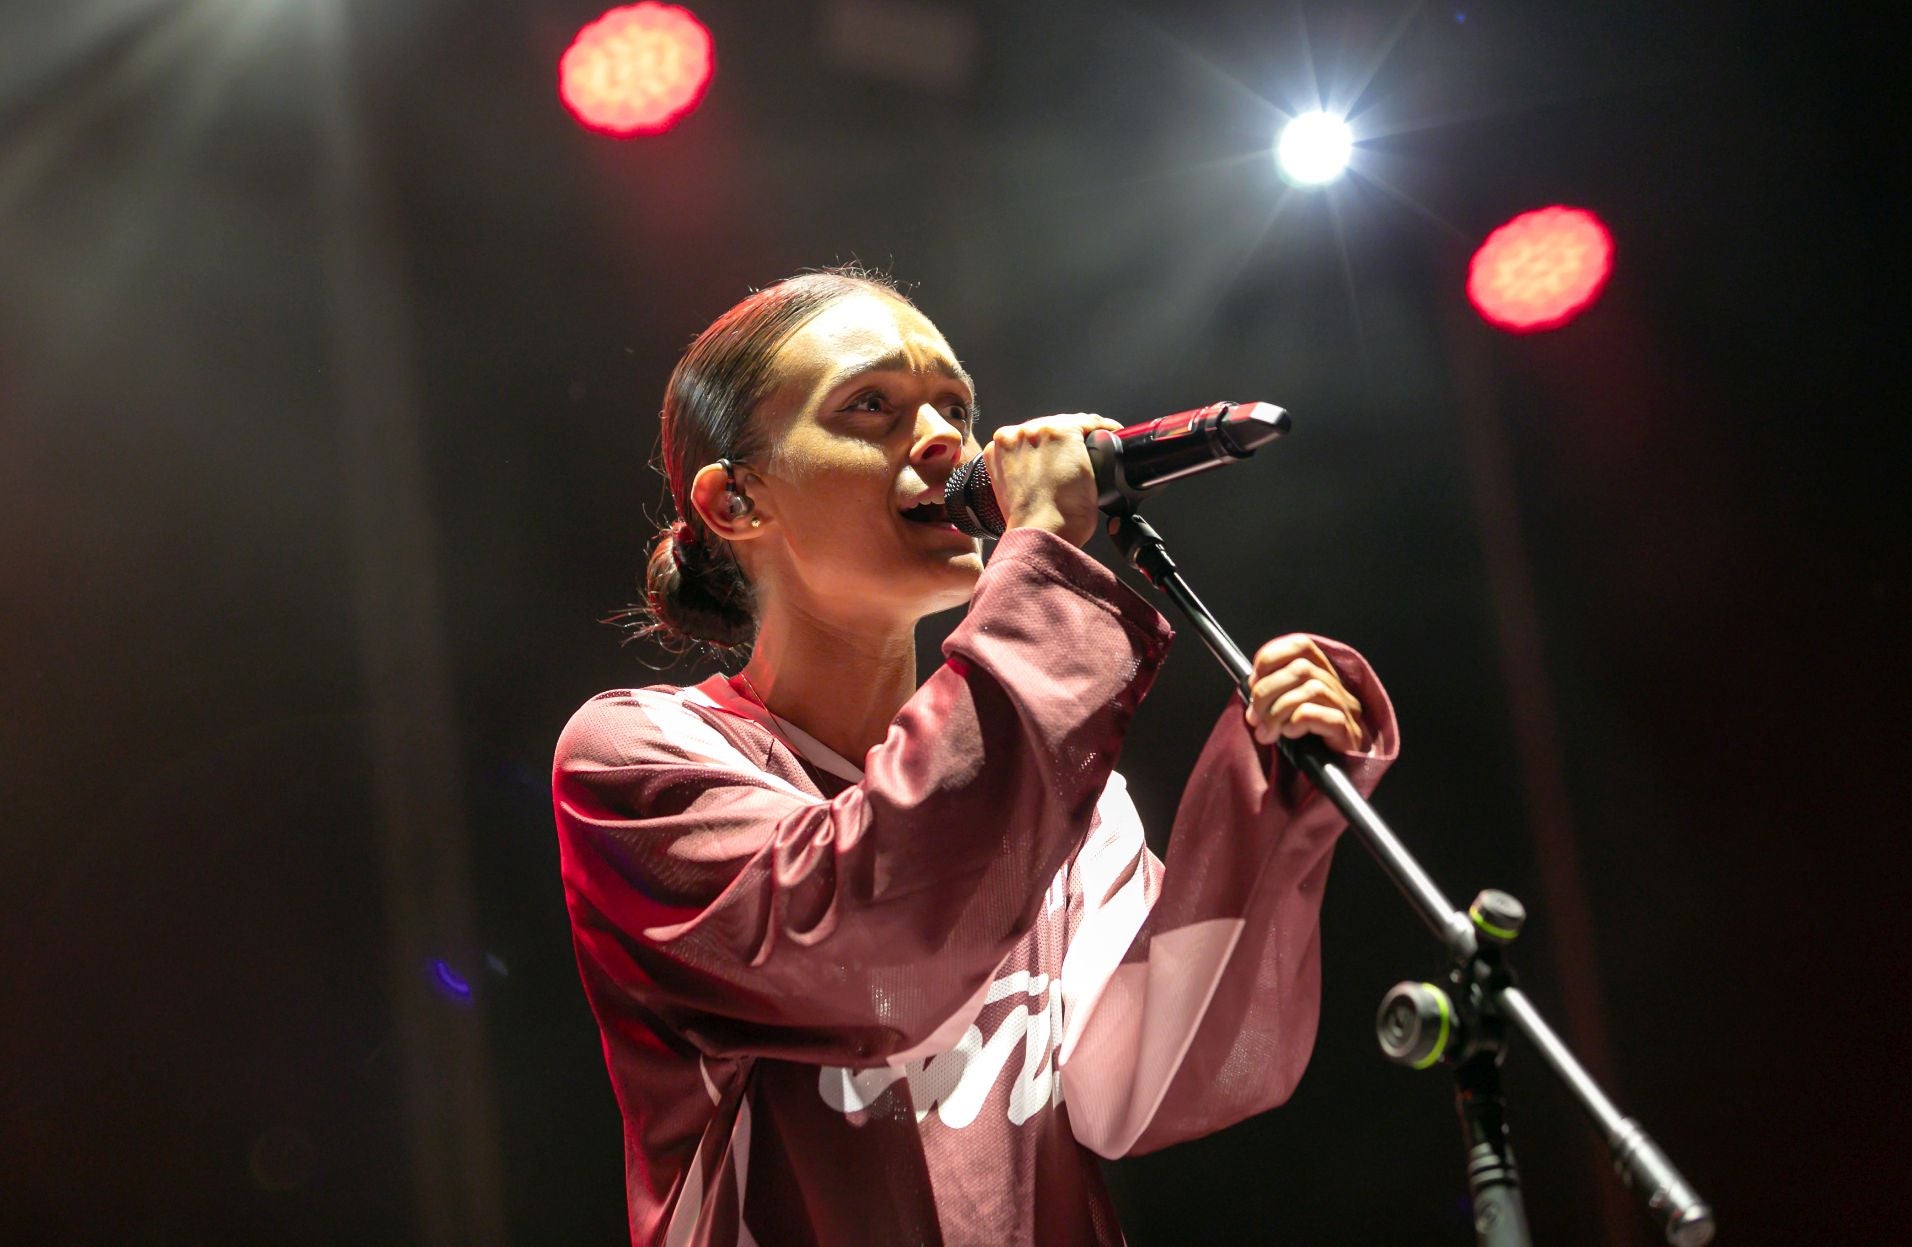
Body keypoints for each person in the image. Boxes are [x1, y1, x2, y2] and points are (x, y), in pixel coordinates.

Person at [551, 267, 1400, 1247]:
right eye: (871, 406)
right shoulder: (641, 759)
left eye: (955, 404)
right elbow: (875, 943)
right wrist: (1040, 556)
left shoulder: (1050, 791)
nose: (948, 439)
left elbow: (1155, 1082)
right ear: (736, 500)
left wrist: (1267, 805)